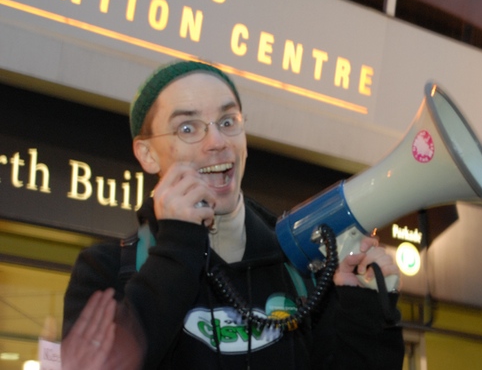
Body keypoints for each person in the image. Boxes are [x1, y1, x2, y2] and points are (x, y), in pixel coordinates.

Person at [62, 60, 404, 369]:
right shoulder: (105, 272)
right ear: (148, 154)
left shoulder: (304, 270)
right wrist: (176, 250)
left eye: (228, 122)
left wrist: (366, 309)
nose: (216, 141)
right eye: (188, 128)